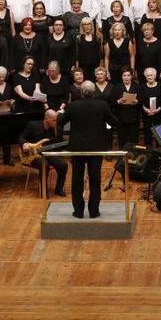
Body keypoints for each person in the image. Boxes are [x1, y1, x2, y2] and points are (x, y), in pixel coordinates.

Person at [58, 81, 119, 218]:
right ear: (94, 92)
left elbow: (61, 121)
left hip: (78, 148)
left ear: (81, 92)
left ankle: (78, 212)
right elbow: (114, 122)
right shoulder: (102, 105)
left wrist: (61, 112)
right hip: (96, 147)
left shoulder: (73, 106)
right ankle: (94, 211)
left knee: (77, 180)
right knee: (95, 180)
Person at [19, 109, 67, 196]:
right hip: (34, 155)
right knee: (45, 165)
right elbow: (21, 137)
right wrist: (24, 144)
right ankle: (43, 191)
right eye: (54, 120)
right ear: (47, 119)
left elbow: (59, 144)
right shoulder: (33, 125)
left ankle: (59, 189)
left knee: (63, 164)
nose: (56, 122)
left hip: (48, 153)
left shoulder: (56, 129)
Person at [112, 67, 140, 147]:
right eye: (124, 75)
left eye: (128, 75)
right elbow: (112, 100)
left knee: (134, 139)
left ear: (131, 76)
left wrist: (137, 101)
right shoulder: (116, 87)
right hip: (121, 117)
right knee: (122, 139)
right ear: (121, 77)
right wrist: (118, 101)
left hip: (134, 117)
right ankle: (122, 158)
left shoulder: (137, 87)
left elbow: (142, 98)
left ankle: (134, 157)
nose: (126, 77)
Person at [138, 67, 161, 147]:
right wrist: (146, 110)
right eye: (147, 75)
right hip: (146, 113)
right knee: (147, 134)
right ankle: (148, 153)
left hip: (159, 113)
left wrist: (157, 110)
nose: (149, 77)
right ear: (145, 77)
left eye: (151, 75)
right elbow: (140, 101)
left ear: (155, 76)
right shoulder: (142, 87)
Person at [76, 17, 102, 81]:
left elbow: (100, 54)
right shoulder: (79, 38)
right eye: (85, 24)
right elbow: (77, 54)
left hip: (95, 66)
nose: (87, 26)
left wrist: (100, 67)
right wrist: (77, 68)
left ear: (92, 25)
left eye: (89, 24)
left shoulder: (97, 38)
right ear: (82, 26)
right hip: (83, 66)